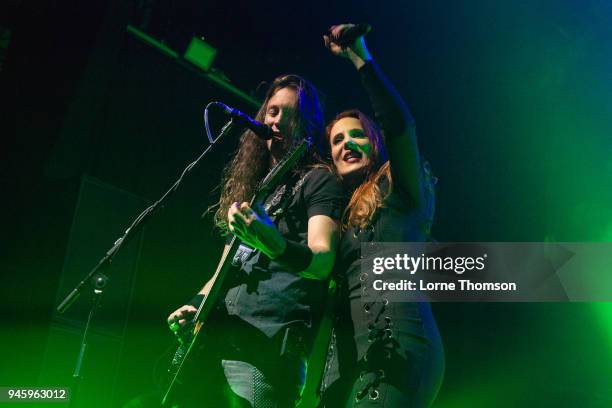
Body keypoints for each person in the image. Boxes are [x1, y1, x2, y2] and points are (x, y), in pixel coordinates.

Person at [167, 74, 343, 407]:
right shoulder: (255, 189)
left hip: (267, 354)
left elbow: (322, 261)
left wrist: (274, 243)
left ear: (307, 126)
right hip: (215, 347)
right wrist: (195, 305)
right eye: (273, 111)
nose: (277, 121)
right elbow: (224, 268)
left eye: (290, 115)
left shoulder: (319, 182)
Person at [317, 24, 444, 407]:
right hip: (352, 367)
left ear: (374, 143)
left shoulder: (401, 188)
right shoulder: (338, 217)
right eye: (337, 140)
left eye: (355, 135)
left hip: (400, 353)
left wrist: (359, 56)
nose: (346, 144)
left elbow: (400, 126)